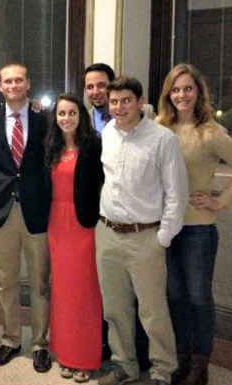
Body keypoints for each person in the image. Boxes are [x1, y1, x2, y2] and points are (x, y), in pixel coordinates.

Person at [96, 76, 188, 385]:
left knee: (152, 312)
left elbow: (177, 195)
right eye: (114, 102)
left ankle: (163, 370)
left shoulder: (163, 139)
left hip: (145, 237)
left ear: (140, 101)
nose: (119, 107)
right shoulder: (107, 132)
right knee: (115, 308)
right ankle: (125, 365)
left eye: (126, 101)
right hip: (107, 233)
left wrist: (161, 238)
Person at [157, 63, 232, 385]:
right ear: (168, 94)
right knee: (174, 296)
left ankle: (200, 365)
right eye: (176, 89)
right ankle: (182, 358)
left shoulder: (210, 132)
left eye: (188, 88)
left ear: (198, 92)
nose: (182, 95)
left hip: (198, 230)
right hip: (167, 228)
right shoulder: (160, 127)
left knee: (198, 297)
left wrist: (219, 201)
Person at [0, 63, 52, 372]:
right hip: (2, 211)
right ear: (0, 86)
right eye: (7, 81)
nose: (13, 85)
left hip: (37, 211)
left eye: (18, 80)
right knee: (5, 281)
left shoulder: (45, 120)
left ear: (28, 83)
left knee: (39, 282)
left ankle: (40, 344)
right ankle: (11, 339)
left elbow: (52, 162)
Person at [45, 93, 104, 383]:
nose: (66, 118)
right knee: (63, 291)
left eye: (71, 113)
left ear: (81, 116)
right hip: (57, 224)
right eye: (61, 113)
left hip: (84, 226)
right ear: (55, 118)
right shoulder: (51, 147)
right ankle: (65, 354)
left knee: (85, 292)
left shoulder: (93, 146)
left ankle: (85, 358)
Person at [85, 63, 155, 133]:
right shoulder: (81, 119)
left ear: (112, 85)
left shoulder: (147, 112)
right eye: (90, 87)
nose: (95, 92)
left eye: (101, 85)